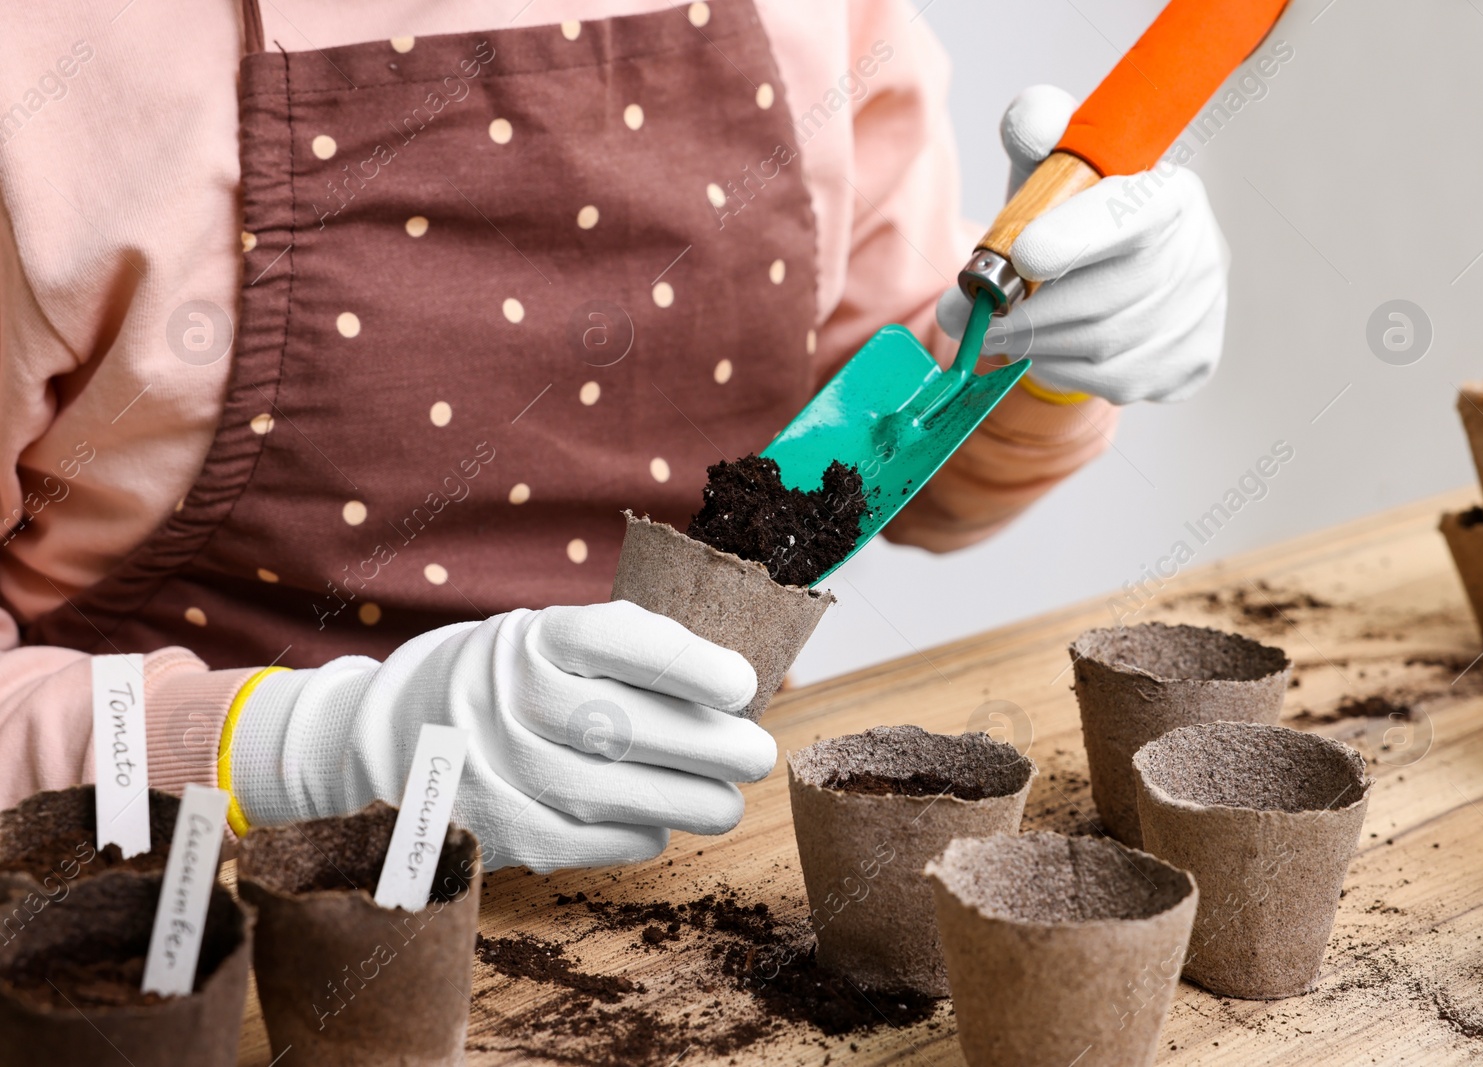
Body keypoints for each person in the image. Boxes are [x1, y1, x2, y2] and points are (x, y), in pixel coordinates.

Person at [0, 0, 1226, 871]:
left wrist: (1042, 357)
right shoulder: (47, 71)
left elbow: (895, 468)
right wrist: (297, 756)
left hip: (705, 888)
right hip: (183, 935)